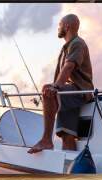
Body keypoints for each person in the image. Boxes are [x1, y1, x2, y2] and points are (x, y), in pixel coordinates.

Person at [27, 14, 94, 154]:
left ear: (67, 26)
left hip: (79, 91)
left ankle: (46, 140)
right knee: (67, 135)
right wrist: (58, 87)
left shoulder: (77, 44)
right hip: (70, 92)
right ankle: (68, 165)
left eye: (59, 25)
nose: (58, 28)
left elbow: (69, 67)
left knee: (47, 89)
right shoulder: (68, 46)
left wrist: (55, 86)